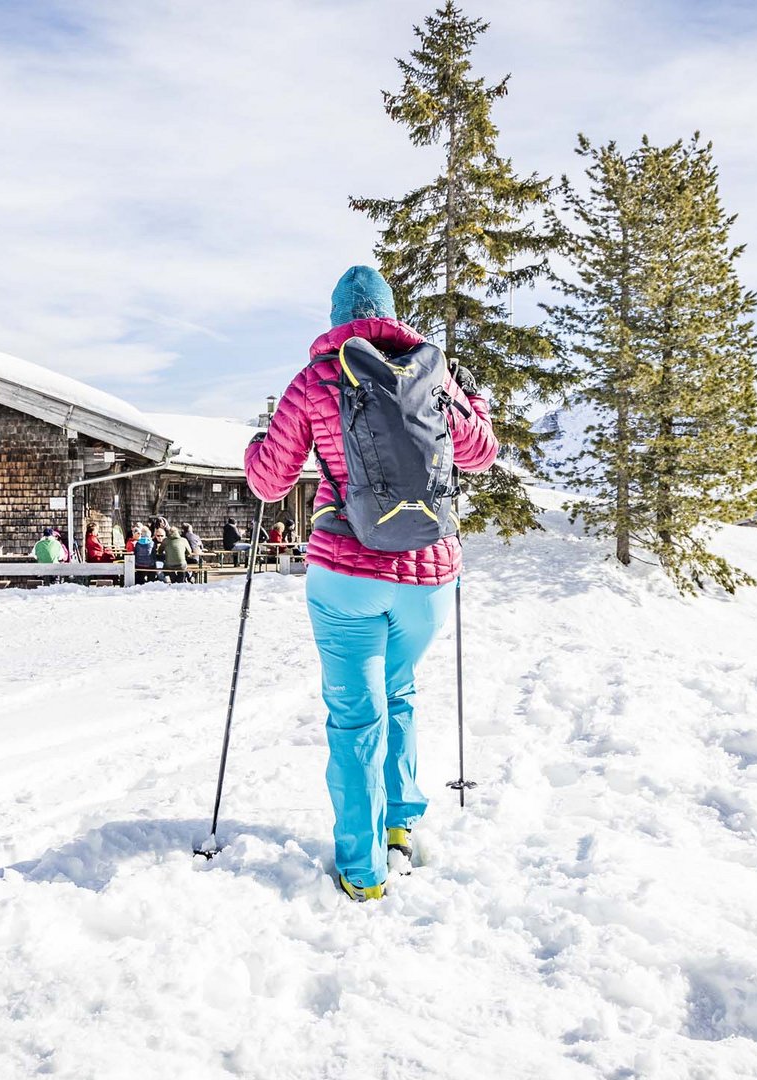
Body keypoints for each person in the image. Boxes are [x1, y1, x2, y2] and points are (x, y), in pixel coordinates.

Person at [243, 265, 498, 902]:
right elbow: (479, 453)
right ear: (390, 315)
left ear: (336, 321)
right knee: (401, 687)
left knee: (357, 717)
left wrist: (255, 445)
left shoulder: (316, 380)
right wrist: (475, 402)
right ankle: (402, 825)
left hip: (347, 574)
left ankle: (362, 871)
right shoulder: (431, 374)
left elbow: (270, 482)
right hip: (428, 576)